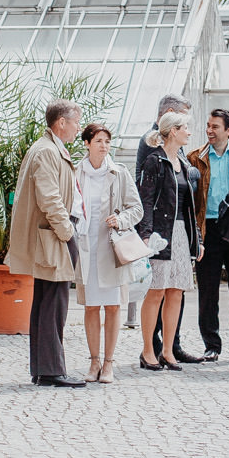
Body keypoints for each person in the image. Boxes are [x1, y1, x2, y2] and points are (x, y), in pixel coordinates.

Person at [7, 99, 87, 389]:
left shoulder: (49, 149)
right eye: (76, 122)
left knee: (47, 303)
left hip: (52, 235)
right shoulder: (47, 151)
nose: (78, 128)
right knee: (53, 305)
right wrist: (67, 232)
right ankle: (51, 371)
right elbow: (49, 198)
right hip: (53, 237)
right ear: (61, 122)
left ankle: (45, 370)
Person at [72, 123, 142, 381]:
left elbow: (137, 208)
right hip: (85, 247)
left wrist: (120, 219)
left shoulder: (119, 172)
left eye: (107, 141)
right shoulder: (75, 172)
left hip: (111, 248)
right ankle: (94, 362)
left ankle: (109, 363)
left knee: (112, 307)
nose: (104, 146)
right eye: (98, 141)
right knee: (91, 307)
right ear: (87, 143)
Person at [135, 112, 200, 370]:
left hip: (182, 233)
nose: (189, 132)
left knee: (176, 292)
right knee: (156, 292)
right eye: (185, 128)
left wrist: (197, 240)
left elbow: (189, 206)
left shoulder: (183, 163)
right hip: (161, 234)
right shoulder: (154, 161)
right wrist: (146, 235)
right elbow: (145, 201)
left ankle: (168, 351)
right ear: (173, 131)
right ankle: (147, 351)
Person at [187, 110, 229, 361]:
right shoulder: (195, 158)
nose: (209, 130)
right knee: (208, 290)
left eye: (215, 127)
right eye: (208, 125)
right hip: (207, 229)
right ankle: (211, 345)